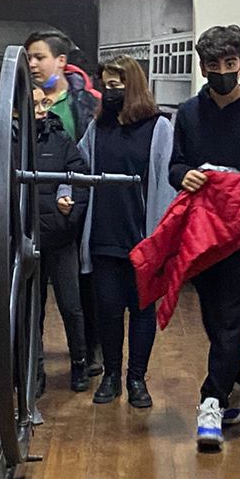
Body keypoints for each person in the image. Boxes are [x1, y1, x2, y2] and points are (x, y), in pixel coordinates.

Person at [169, 23, 240, 452]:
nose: (221, 71)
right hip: (201, 232)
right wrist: (185, 175)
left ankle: (210, 402)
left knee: (234, 318)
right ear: (202, 68)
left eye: (229, 63)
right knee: (217, 321)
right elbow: (174, 165)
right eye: (213, 65)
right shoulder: (188, 114)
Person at [0, 81, 90, 392]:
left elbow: (81, 178)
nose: (41, 111)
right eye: (33, 105)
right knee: (31, 310)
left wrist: (70, 211)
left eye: (44, 104)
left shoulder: (60, 139)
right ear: (17, 110)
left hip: (59, 241)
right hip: (22, 240)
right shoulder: (2, 143)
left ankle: (80, 364)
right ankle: (35, 370)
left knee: (71, 306)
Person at [79, 56, 175, 409]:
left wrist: (161, 240)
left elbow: (168, 183)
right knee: (107, 310)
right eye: (105, 85)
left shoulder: (158, 127)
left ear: (132, 85)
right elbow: (78, 166)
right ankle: (111, 376)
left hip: (142, 238)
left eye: (116, 85)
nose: (109, 91)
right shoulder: (97, 128)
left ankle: (136, 378)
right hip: (104, 236)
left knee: (142, 310)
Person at [26, 29, 101, 374]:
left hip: (80, 204)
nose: (32, 64)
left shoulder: (87, 103)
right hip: (34, 211)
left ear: (60, 61)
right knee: (33, 295)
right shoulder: (19, 102)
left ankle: (88, 353)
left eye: (39, 57)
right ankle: (32, 362)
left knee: (84, 286)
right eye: (29, 58)